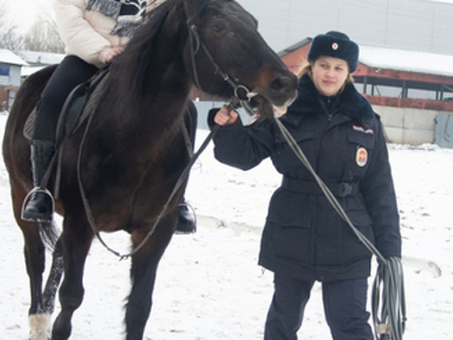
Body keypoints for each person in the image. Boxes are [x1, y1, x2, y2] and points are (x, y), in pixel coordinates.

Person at [209, 31, 401, 340]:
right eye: (324, 64)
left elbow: (380, 190)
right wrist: (229, 129)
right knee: (282, 323)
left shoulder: (366, 121)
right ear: (311, 66)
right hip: (292, 232)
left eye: (339, 67)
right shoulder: (285, 110)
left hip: (348, 237)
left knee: (349, 323)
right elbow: (245, 155)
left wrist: (390, 249)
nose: (330, 73)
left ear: (349, 73)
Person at [22, 0, 196, 233]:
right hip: (88, 57)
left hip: (140, 63)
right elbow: (70, 19)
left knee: (188, 111)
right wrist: (104, 50)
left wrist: (142, 54)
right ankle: (42, 189)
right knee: (53, 99)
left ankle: (177, 197)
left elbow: (167, 24)